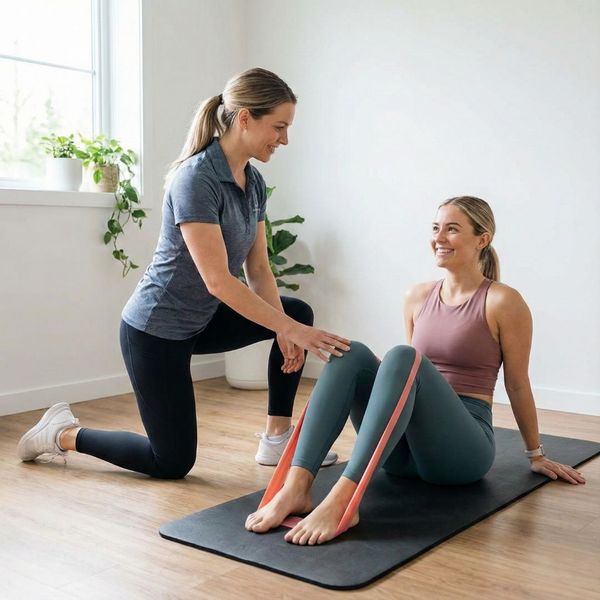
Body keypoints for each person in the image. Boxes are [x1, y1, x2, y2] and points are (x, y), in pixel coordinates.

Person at [17, 67, 350, 477]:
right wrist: (291, 332)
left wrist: (286, 327)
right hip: (155, 331)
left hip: (202, 320)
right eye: (278, 127)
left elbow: (258, 267)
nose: (284, 139)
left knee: (294, 313)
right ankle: (63, 433)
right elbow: (218, 280)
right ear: (245, 117)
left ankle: (276, 439)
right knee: (171, 461)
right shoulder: (196, 179)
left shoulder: (254, 181)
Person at [245, 195, 586, 545]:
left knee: (403, 356)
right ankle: (297, 486)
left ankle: (345, 498)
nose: (439, 237)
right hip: (402, 456)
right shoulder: (417, 296)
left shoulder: (502, 301)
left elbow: (516, 383)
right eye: (436, 228)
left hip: (459, 453)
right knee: (348, 352)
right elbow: (403, 385)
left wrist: (536, 454)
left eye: (452, 229)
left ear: (482, 239)